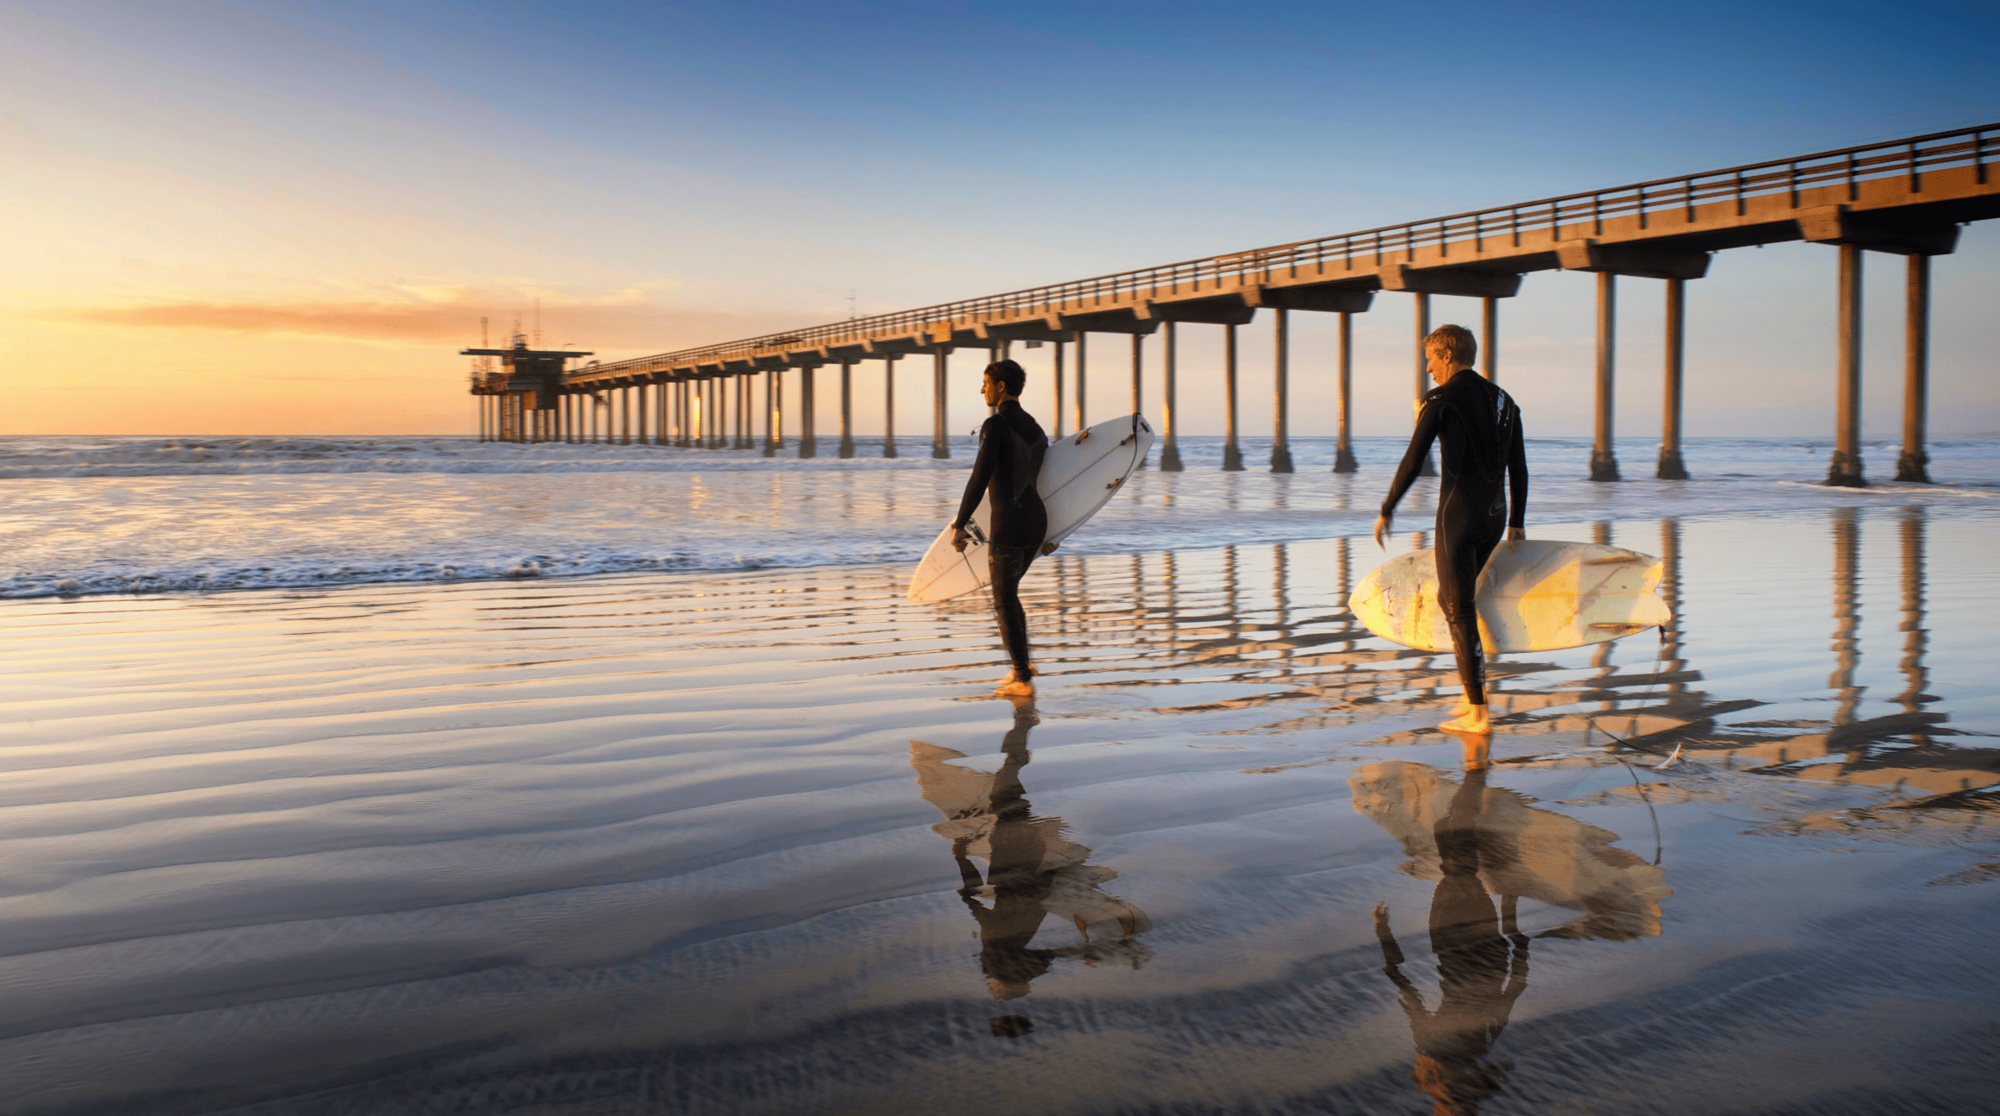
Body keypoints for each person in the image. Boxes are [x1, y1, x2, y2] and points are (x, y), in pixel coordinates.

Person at [1374, 325, 1527, 736]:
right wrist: (1517, 522)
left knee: (1459, 610)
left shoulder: (1441, 398)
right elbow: (1519, 467)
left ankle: (1478, 712)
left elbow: (1413, 459)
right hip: (1495, 517)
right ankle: (1469, 694)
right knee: (1451, 599)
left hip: (1458, 518)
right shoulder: (1505, 402)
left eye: (1430, 359)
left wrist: (1387, 508)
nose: (1427, 369)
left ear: (1446, 355)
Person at [952, 360, 1049, 698]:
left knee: (1004, 601)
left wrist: (960, 524)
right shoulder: (1037, 429)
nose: (983, 390)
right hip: (1036, 523)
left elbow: (979, 479)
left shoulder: (995, 426)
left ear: (1001, 386)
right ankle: (1021, 665)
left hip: (1009, 526)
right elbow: (1047, 483)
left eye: (986, 383)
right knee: (1010, 595)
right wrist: (1055, 532)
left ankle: (1022, 678)